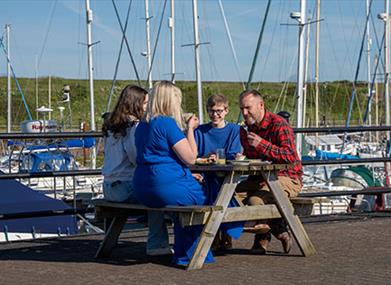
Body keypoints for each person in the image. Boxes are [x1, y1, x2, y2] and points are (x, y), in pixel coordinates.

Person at [133, 80, 214, 266]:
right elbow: (191, 158)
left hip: (143, 186)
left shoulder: (142, 126)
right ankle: (190, 254)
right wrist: (191, 130)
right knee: (201, 200)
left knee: (183, 206)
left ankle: (184, 252)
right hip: (164, 184)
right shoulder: (166, 124)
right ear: (170, 101)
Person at [101, 85, 170, 256]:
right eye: (145, 103)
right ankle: (157, 245)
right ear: (136, 104)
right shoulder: (133, 126)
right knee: (157, 196)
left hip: (109, 187)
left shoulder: (111, 125)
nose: (147, 107)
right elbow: (137, 158)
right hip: (125, 186)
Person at [238, 89, 303, 254]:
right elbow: (253, 158)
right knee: (225, 196)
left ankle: (264, 237)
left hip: (287, 177)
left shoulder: (279, 124)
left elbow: (290, 157)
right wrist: (241, 156)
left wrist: (261, 144)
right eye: (241, 109)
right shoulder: (246, 129)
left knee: (255, 200)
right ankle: (278, 229)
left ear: (261, 105)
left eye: (248, 108)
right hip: (259, 179)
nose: (244, 113)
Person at [194, 94, 242, 250]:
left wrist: (220, 157)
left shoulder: (235, 130)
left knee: (218, 187)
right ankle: (223, 232)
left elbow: (233, 153)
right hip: (205, 175)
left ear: (226, 110)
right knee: (211, 188)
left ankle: (219, 233)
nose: (215, 115)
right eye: (212, 111)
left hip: (225, 175)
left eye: (219, 111)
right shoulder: (200, 131)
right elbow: (193, 155)